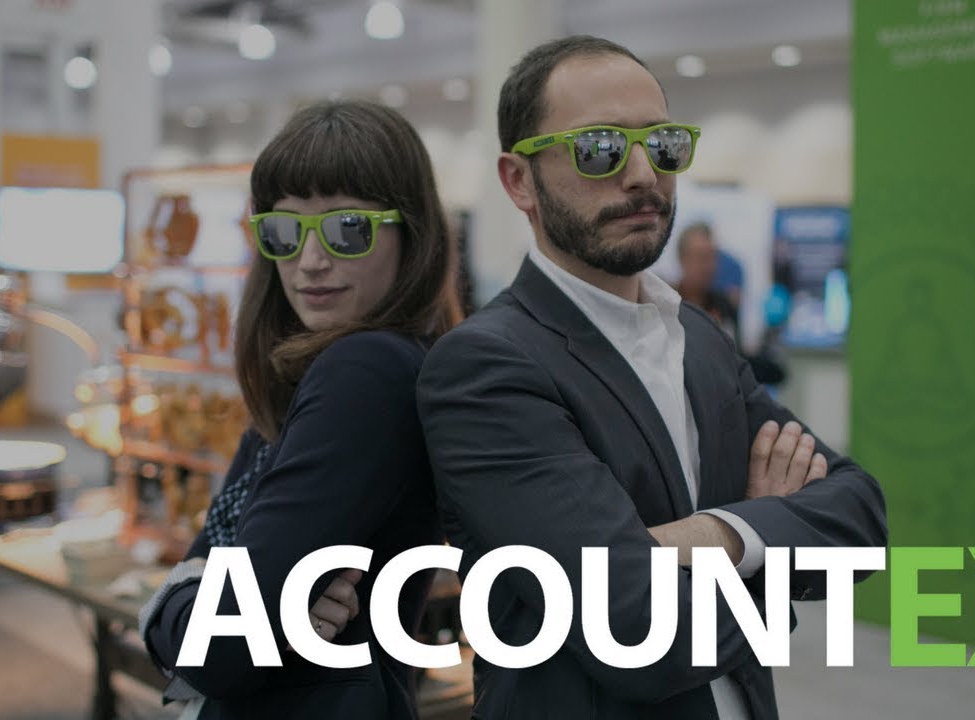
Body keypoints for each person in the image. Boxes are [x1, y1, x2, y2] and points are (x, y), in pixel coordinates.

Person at [417, 35, 887, 720]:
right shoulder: (486, 367)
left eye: (662, 145)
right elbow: (638, 634)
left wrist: (714, 535)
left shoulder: (697, 337)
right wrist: (770, 546)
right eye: (599, 148)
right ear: (519, 181)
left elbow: (861, 519)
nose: (643, 174)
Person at [139, 100, 460, 719]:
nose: (311, 260)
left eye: (348, 229)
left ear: (412, 233)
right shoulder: (303, 377)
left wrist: (170, 604)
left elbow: (220, 647)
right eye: (284, 232)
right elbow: (223, 612)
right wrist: (204, 596)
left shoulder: (364, 371)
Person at [674, 222, 739, 342]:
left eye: (713, 257)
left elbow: (736, 349)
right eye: (701, 257)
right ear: (682, 259)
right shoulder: (666, 304)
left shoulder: (725, 306)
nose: (709, 267)